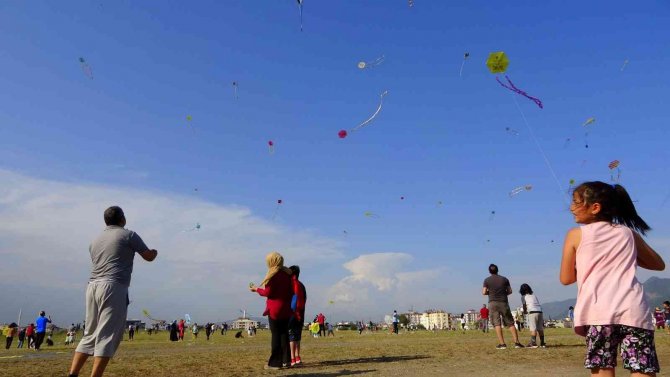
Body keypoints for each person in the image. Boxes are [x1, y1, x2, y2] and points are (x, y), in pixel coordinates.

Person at [560, 181, 665, 375]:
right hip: (633, 310)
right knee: (641, 368)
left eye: (575, 202)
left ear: (595, 207)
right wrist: (627, 254)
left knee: (603, 369)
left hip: (598, 312)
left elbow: (566, 278)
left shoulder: (575, 235)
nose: (571, 208)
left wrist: (586, 265)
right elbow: (659, 264)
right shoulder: (628, 233)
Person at [68, 206, 158, 377]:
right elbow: (148, 257)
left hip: (92, 286)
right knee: (107, 335)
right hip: (113, 286)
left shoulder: (94, 241)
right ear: (122, 219)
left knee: (89, 334)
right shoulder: (128, 234)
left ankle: (73, 373)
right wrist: (155, 252)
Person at [250, 251, 294, 370]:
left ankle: (275, 363)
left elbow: (267, 292)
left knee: (276, 335)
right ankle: (286, 360)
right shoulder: (287, 274)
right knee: (284, 334)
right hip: (286, 308)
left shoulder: (272, 275)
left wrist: (256, 289)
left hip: (275, 309)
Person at [483, 263, 523, 349]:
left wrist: (489, 293)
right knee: (510, 322)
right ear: (497, 270)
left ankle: (502, 344)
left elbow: (484, 292)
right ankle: (517, 342)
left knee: (497, 324)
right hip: (503, 302)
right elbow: (510, 291)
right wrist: (503, 294)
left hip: (492, 303)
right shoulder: (504, 279)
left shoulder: (487, 280)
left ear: (489, 271)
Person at [287, 265, 306, 367]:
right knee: (298, 337)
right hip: (301, 315)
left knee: (291, 337)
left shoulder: (289, 284)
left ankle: (292, 358)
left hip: (291, 314)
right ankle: (298, 356)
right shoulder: (302, 285)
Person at [519, 283, 546, 348]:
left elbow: (524, 306)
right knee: (540, 328)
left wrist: (525, 312)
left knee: (533, 328)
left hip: (532, 312)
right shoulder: (534, 296)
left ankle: (533, 343)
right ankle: (542, 343)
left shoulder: (523, 297)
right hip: (539, 311)